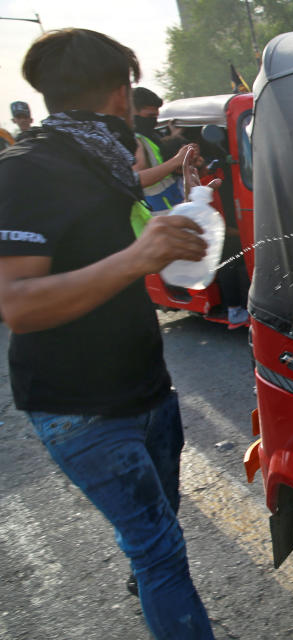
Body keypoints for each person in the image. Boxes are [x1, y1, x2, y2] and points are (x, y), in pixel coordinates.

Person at [0, 29, 215, 639]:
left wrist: (183, 196)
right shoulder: (23, 170)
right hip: (79, 409)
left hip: (147, 388)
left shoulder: (98, 157)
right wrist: (135, 258)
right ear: (122, 93)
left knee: (155, 534)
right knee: (161, 552)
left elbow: (125, 203)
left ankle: (147, 577)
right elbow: (14, 303)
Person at [131, 86, 189, 215]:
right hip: (158, 212)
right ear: (133, 111)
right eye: (150, 116)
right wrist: (176, 161)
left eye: (156, 116)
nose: (154, 121)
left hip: (173, 205)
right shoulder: (134, 141)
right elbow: (138, 179)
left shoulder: (151, 136)